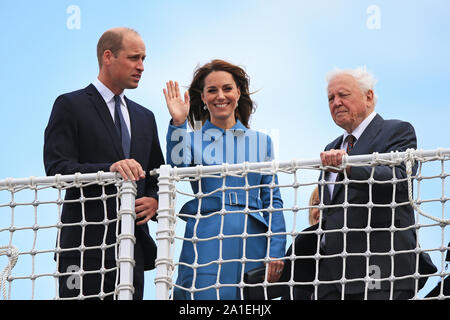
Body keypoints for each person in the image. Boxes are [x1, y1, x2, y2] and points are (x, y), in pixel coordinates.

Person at [43, 27, 165, 299]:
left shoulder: (146, 117)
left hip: (132, 249)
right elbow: (56, 167)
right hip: (83, 246)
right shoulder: (69, 105)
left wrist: (155, 200)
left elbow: (156, 174)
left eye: (144, 58)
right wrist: (108, 171)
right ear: (108, 56)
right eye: (134, 58)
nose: (141, 67)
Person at [164, 59, 286, 300]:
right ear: (203, 97)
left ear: (238, 93)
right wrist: (178, 123)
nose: (221, 96)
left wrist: (276, 250)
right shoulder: (190, 140)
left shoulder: (262, 141)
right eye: (212, 90)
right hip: (207, 239)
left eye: (227, 88)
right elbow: (176, 165)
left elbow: (272, 200)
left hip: (252, 242)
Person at [317, 66, 435, 300]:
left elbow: (400, 179)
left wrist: (349, 167)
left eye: (343, 95)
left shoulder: (397, 131)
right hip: (332, 278)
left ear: (368, 96)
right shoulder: (330, 147)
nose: (336, 102)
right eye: (331, 98)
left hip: (380, 270)